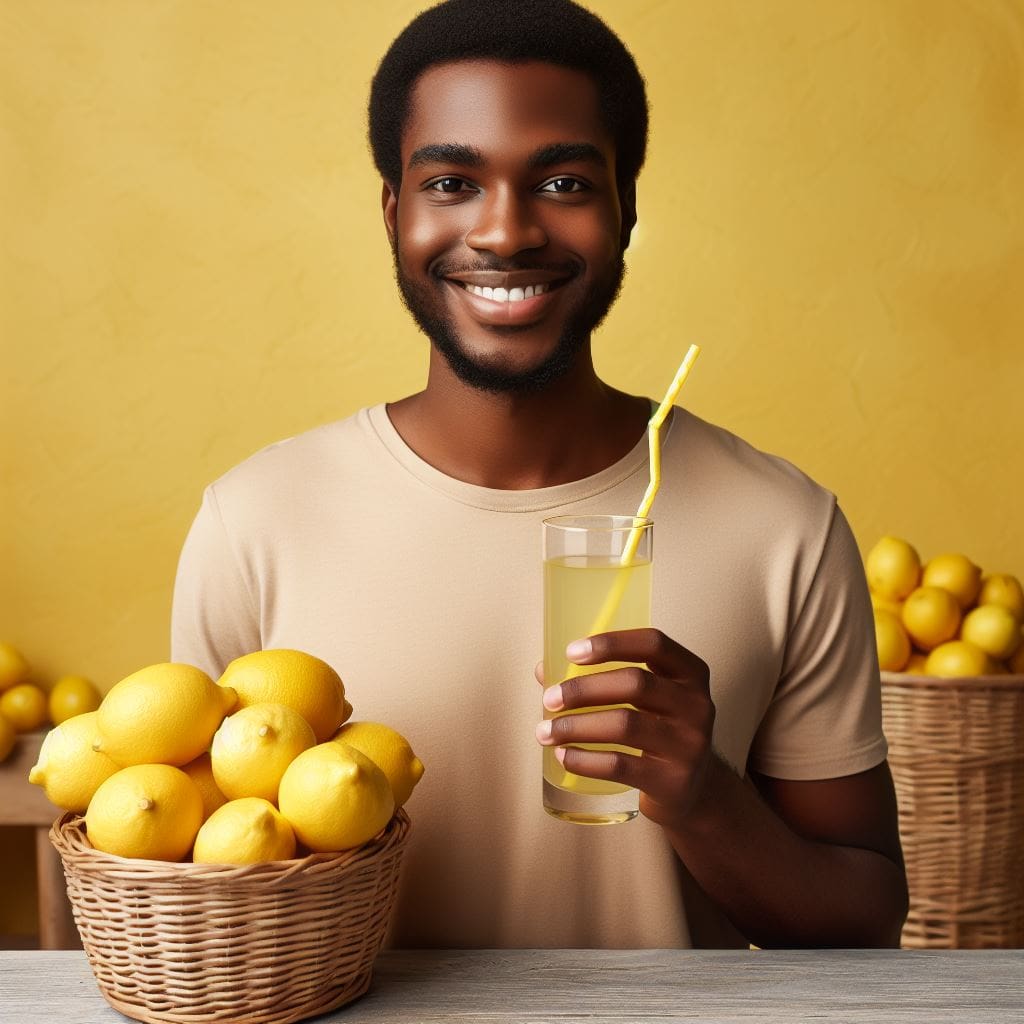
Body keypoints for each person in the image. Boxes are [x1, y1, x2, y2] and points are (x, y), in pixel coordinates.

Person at [172, 0, 908, 949]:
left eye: (562, 180)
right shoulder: (254, 524)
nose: (507, 232)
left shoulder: (785, 527)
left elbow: (862, 925)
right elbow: (190, 890)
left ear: (625, 206)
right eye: (451, 183)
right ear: (394, 212)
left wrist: (705, 799)